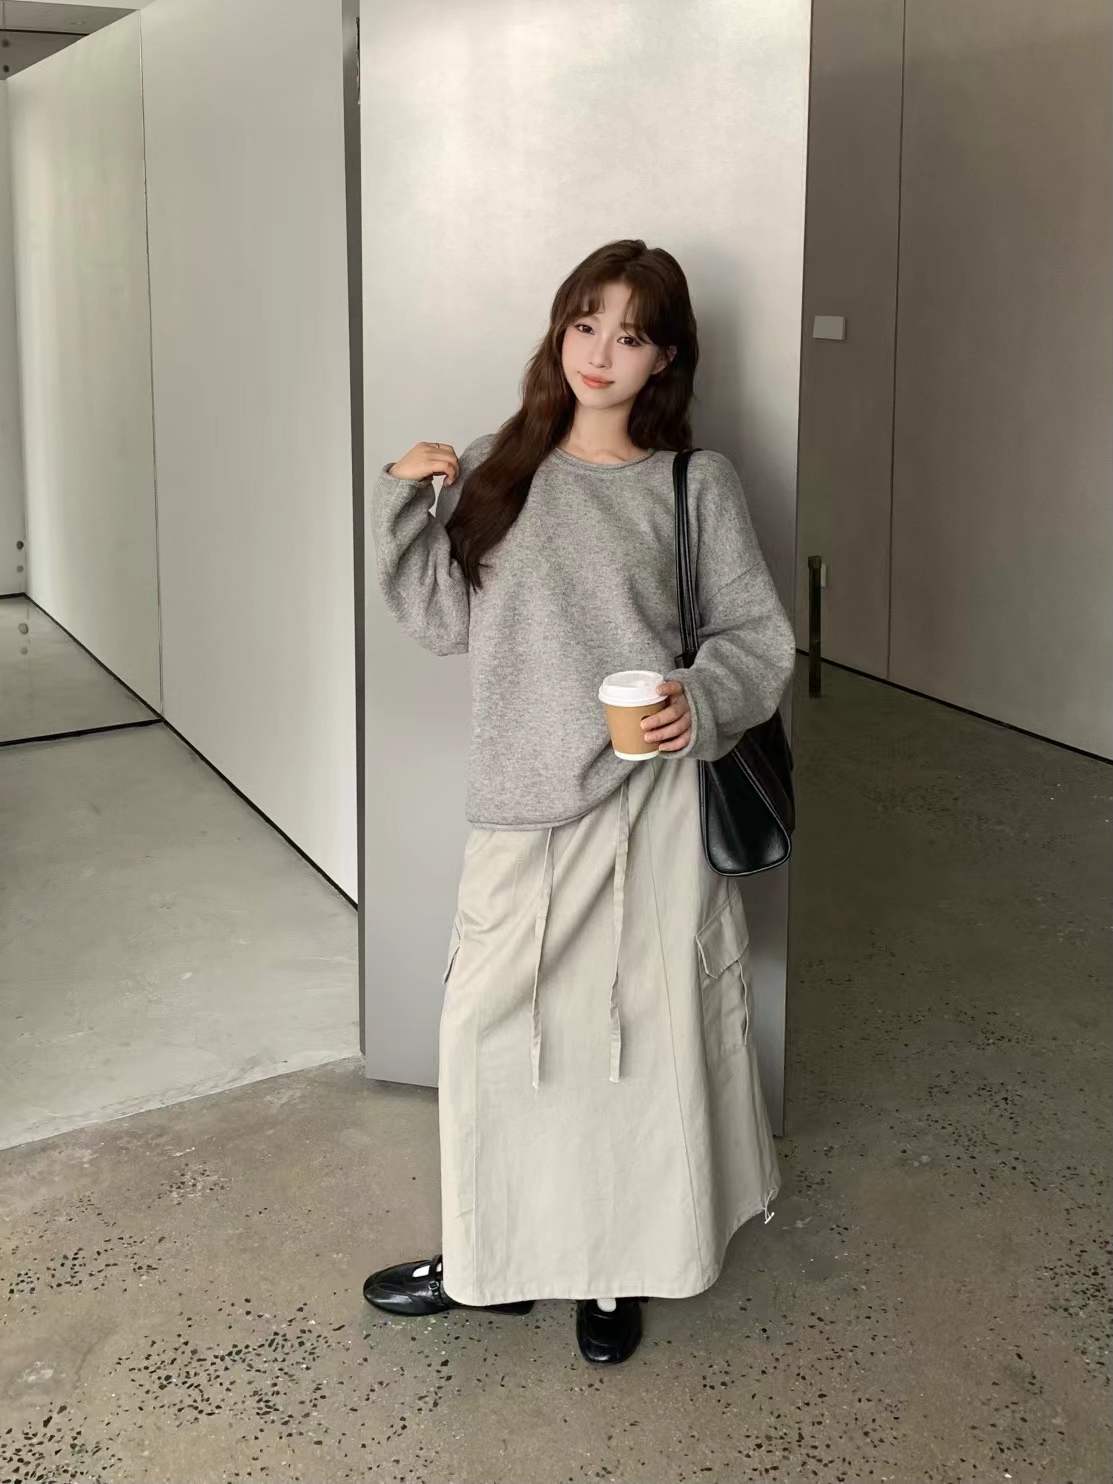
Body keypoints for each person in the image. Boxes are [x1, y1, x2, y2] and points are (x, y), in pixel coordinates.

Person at [363, 239, 796, 1364]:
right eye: (586, 323)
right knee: (492, 1035)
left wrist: (698, 699)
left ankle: (615, 1268)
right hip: (520, 801)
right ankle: (490, 1261)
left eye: (632, 334)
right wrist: (405, 503)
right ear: (560, 330)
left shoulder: (692, 484)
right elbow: (443, 622)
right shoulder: (497, 465)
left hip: (650, 807)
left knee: (633, 1045)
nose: (601, 352)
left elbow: (756, 639)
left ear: (665, 359)